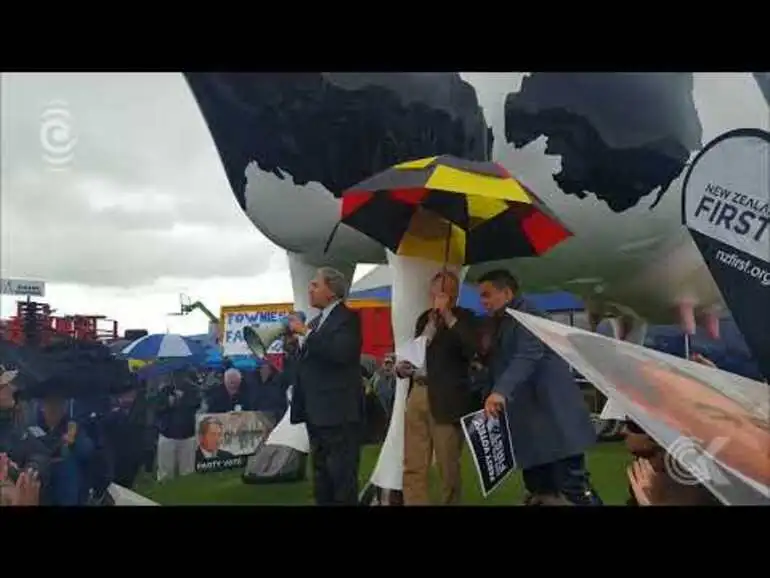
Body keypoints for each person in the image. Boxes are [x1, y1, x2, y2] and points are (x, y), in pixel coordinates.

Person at [477, 269, 601, 506]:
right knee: (539, 493)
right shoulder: (499, 322)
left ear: (506, 292)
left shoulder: (531, 314)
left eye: (487, 294)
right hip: (532, 427)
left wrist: (500, 391)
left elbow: (528, 353)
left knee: (573, 489)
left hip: (555, 420)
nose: (483, 301)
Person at [395, 270, 479, 506]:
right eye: (436, 289)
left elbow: (472, 348)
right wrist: (405, 366)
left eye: (446, 290)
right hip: (418, 392)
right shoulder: (424, 318)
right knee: (413, 462)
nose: (439, 294)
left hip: (447, 398)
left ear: (454, 294)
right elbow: (419, 351)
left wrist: (449, 317)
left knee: (447, 464)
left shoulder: (465, 318)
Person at [290, 267, 363, 505]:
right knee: (322, 481)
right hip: (316, 413)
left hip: (339, 414)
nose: (309, 290)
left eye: (315, 285)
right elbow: (309, 365)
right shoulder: (316, 322)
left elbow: (340, 353)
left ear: (331, 290)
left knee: (342, 479)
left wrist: (307, 334)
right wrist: (295, 345)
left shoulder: (348, 319)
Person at [155, 369, 200, 482]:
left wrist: (182, 399)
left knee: (187, 472)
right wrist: (169, 403)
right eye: (175, 376)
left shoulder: (193, 389)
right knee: (165, 472)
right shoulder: (164, 391)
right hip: (168, 433)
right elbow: (156, 409)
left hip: (187, 434)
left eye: (181, 376)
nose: (178, 379)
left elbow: (196, 405)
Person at [372, 354, 396, 418]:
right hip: (381, 395)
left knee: (390, 410)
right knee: (384, 411)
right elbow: (373, 383)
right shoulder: (378, 373)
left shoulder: (394, 375)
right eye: (387, 364)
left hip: (390, 396)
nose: (388, 366)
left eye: (390, 364)